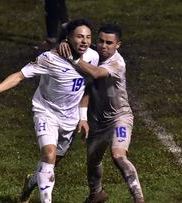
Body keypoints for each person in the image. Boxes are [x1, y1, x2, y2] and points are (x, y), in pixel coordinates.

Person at [0, 18, 99, 203]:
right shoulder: (49, 58)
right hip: (46, 111)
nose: (84, 41)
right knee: (48, 153)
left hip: (70, 118)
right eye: (79, 37)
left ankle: (29, 185)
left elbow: (88, 86)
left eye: (88, 37)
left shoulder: (92, 57)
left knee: (50, 164)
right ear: (68, 38)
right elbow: (19, 75)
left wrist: (83, 117)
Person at [58, 23, 145, 203]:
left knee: (118, 155)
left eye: (109, 43)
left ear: (117, 45)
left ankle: (139, 198)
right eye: (100, 41)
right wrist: (63, 44)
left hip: (118, 118)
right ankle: (96, 195)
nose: (104, 46)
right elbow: (86, 87)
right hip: (96, 121)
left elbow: (96, 74)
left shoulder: (116, 63)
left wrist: (73, 58)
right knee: (93, 161)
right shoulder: (91, 56)